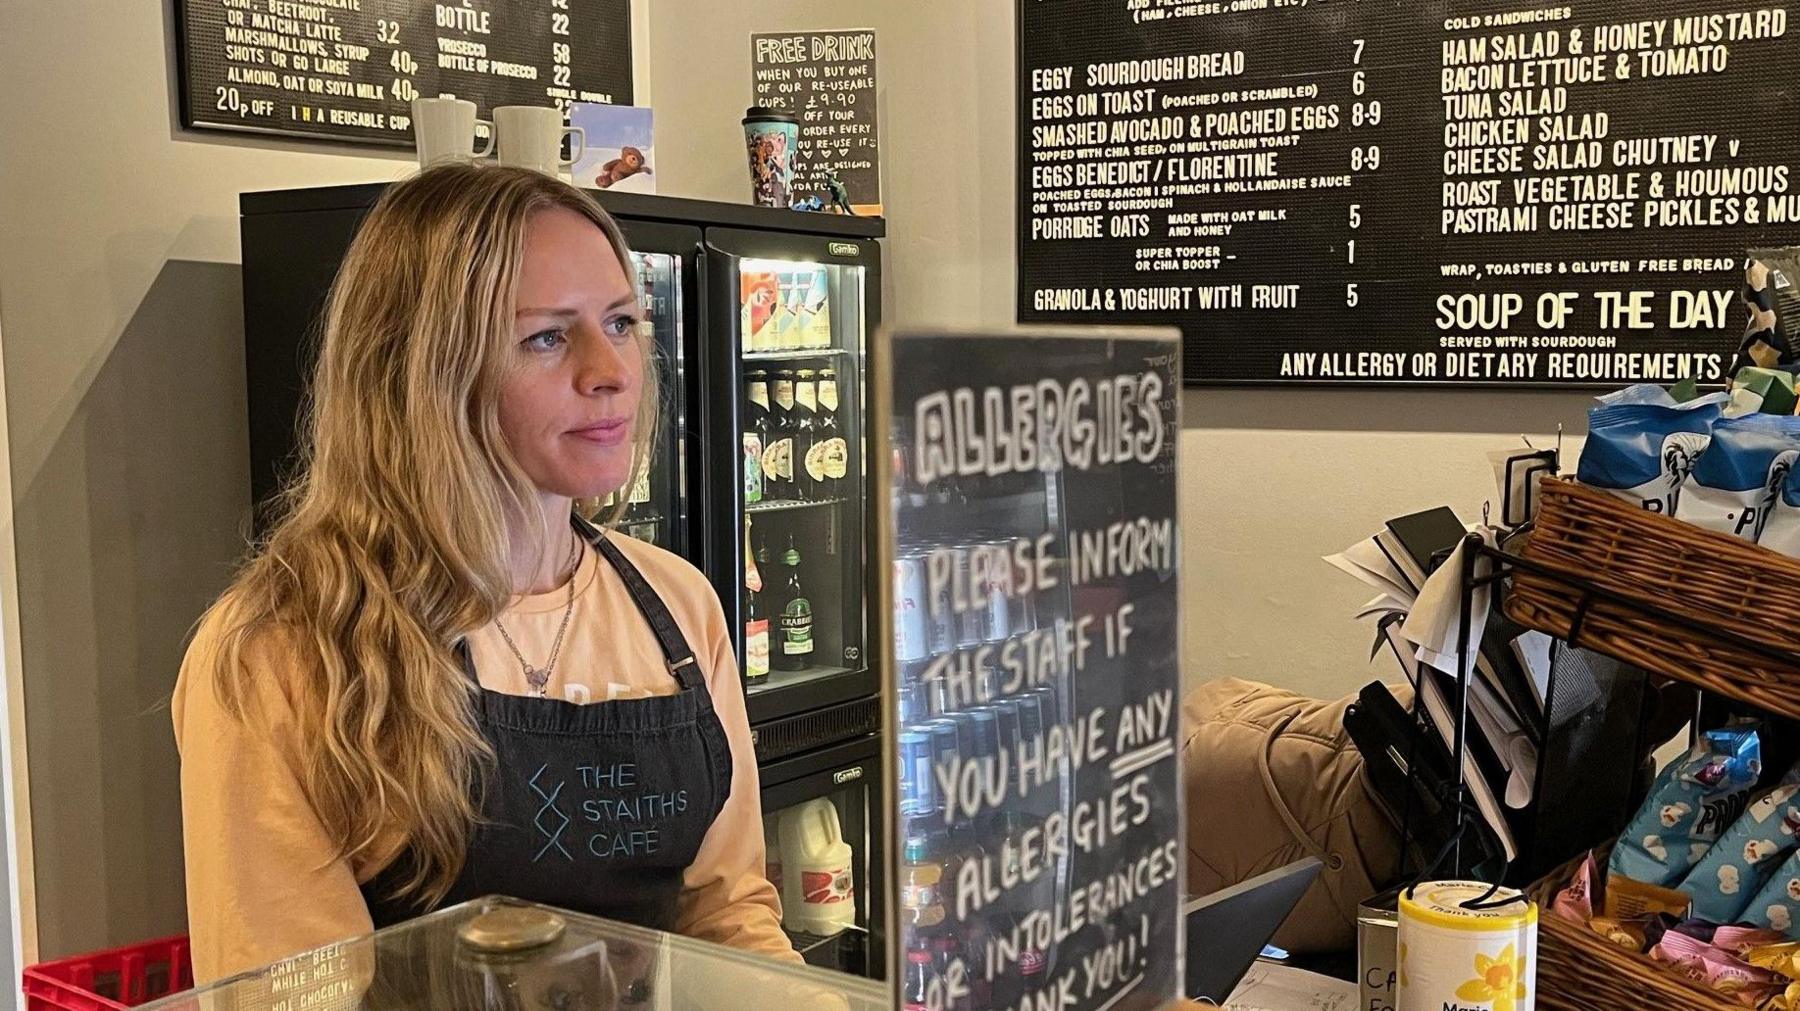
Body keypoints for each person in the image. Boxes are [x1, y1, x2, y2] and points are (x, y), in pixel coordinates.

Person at [173, 164, 795, 982]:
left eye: (620, 322)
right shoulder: (281, 651)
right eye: (547, 335)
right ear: (420, 370)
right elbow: (290, 994)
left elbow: (727, 915)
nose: (609, 369)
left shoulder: (677, 606)